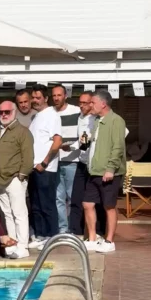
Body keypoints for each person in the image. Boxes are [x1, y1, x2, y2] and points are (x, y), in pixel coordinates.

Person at [82, 89, 127, 253]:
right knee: (87, 203)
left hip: (109, 172)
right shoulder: (95, 121)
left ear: (103, 103)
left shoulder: (116, 121)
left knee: (109, 206)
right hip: (94, 171)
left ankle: (109, 241)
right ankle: (93, 239)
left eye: (93, 102)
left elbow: (118, 147)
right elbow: (90, 144)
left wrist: (111, 169)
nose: (90, 105)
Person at [0, 102, 34, 259]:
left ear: (14, 112)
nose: (3, 114)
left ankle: (23, 246)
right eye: (1, 112)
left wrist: (21, 176)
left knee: (20, 213)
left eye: (7, 112)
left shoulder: (23, 132)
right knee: (7, 214)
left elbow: (28, 158)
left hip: (15, 178)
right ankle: (12, 243)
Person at [27, 85, 63, 248]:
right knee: (36, 204)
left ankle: (52, 236)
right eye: (33, 98)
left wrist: (44, 162)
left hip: (45, 168)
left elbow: (57, 142)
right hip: (33, 167)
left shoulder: (52, 116)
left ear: (46, 98)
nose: (35, 100)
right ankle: (40, 235)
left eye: (38, 97)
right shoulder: (36, 117)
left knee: (47, 204)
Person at [51, 84, 81, 236]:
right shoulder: (49, 113)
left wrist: (74, 147)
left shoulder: (76, 111)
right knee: (58, 198)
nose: (56, 98)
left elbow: (84, 135)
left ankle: (75, 228)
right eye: (54, 95)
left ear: (65, 96)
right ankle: (63, 228)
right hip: (55, 161)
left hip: (72, 161)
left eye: (59, 95)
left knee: (72, 196)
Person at [69, 91, 99, 236]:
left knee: (94, 201)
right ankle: (75, 231)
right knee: (76, 197)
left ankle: (98, 232)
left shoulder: (97, 118)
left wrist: (75, 145)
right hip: (82, 162)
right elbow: (84, 139)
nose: (81, 105)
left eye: (84, 103)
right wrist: (73, 145)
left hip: (94, 164)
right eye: (79, 102)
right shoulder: (81, 117)